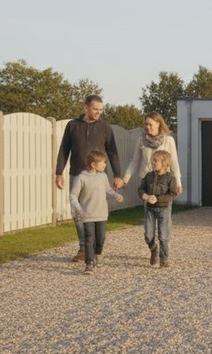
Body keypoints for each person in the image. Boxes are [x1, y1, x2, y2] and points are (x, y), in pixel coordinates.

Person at [55, 95, 123, 262]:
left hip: (98, 177)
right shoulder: (72, 126)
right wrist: (59, 172)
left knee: (95, 211)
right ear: (86, 108)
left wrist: (117, 175)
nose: (99, 112)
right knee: (78, 212)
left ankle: (92, 247)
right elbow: (64, 150)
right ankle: (84, 247)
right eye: (95, 109)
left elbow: (112, 152)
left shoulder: (105, 127)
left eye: (101, 110)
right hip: (77, 174)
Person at [69, 150, 124, 275]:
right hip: (87, 215)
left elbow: (108, 190)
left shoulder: (103, 176)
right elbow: (73, 195)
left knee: (101, 238)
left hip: (102, 214)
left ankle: (96, 254)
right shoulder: (81, 178)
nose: (105, 165)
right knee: (89, 239)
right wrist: (78, 208)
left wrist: (116, 196)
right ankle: (89, 263)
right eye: (103, 163)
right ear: (93, 164)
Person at [122, 112, 182, 195]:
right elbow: (135, 161)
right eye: (146, 124)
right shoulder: (141, 140)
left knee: (163, 203)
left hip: (164, 182)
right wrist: (125, 178)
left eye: (150, 124)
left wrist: (178, 182)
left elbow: (174, 163)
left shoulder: (169, 140)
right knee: (147, 203)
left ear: (158, 124)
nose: (147, 127)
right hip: (147, 182)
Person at [138, 150, 177, 268]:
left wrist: (158, 199)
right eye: (152, 160)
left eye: (155, 160)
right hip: (150, 209)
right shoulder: (148, 176)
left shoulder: (170, 177)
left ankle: (164, 258)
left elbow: (172, 194)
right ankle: (153, 249)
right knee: (148, 235)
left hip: (164, 209)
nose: (152, 162)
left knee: (163, 236)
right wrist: (145, 196)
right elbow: (141, 189)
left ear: (164, 163)